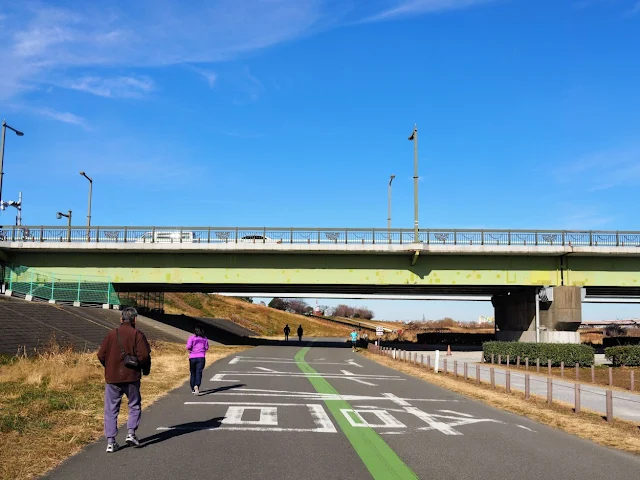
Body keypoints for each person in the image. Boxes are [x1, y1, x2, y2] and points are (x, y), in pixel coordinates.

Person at [97, 307, 151, 453]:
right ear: (134, 319)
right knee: (134, 404)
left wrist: (109, 367)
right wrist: (143, 369)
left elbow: (101, 354)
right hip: (131, 376)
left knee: (111, 409)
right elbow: (144, 356)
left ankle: (110, 441)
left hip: (112, 378)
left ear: (121, 319)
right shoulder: (137, 334)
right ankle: (131, 433)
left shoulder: (111, 334)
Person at [186, 324, 209, 395]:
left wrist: (191, 350)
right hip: (201, 357)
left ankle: (193, 388)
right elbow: (207, 347)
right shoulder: (204, 338)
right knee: (199, 372)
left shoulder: (191, 338)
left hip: (192, 357)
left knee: (193, 372)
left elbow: (188, 346)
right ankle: (197, 385)